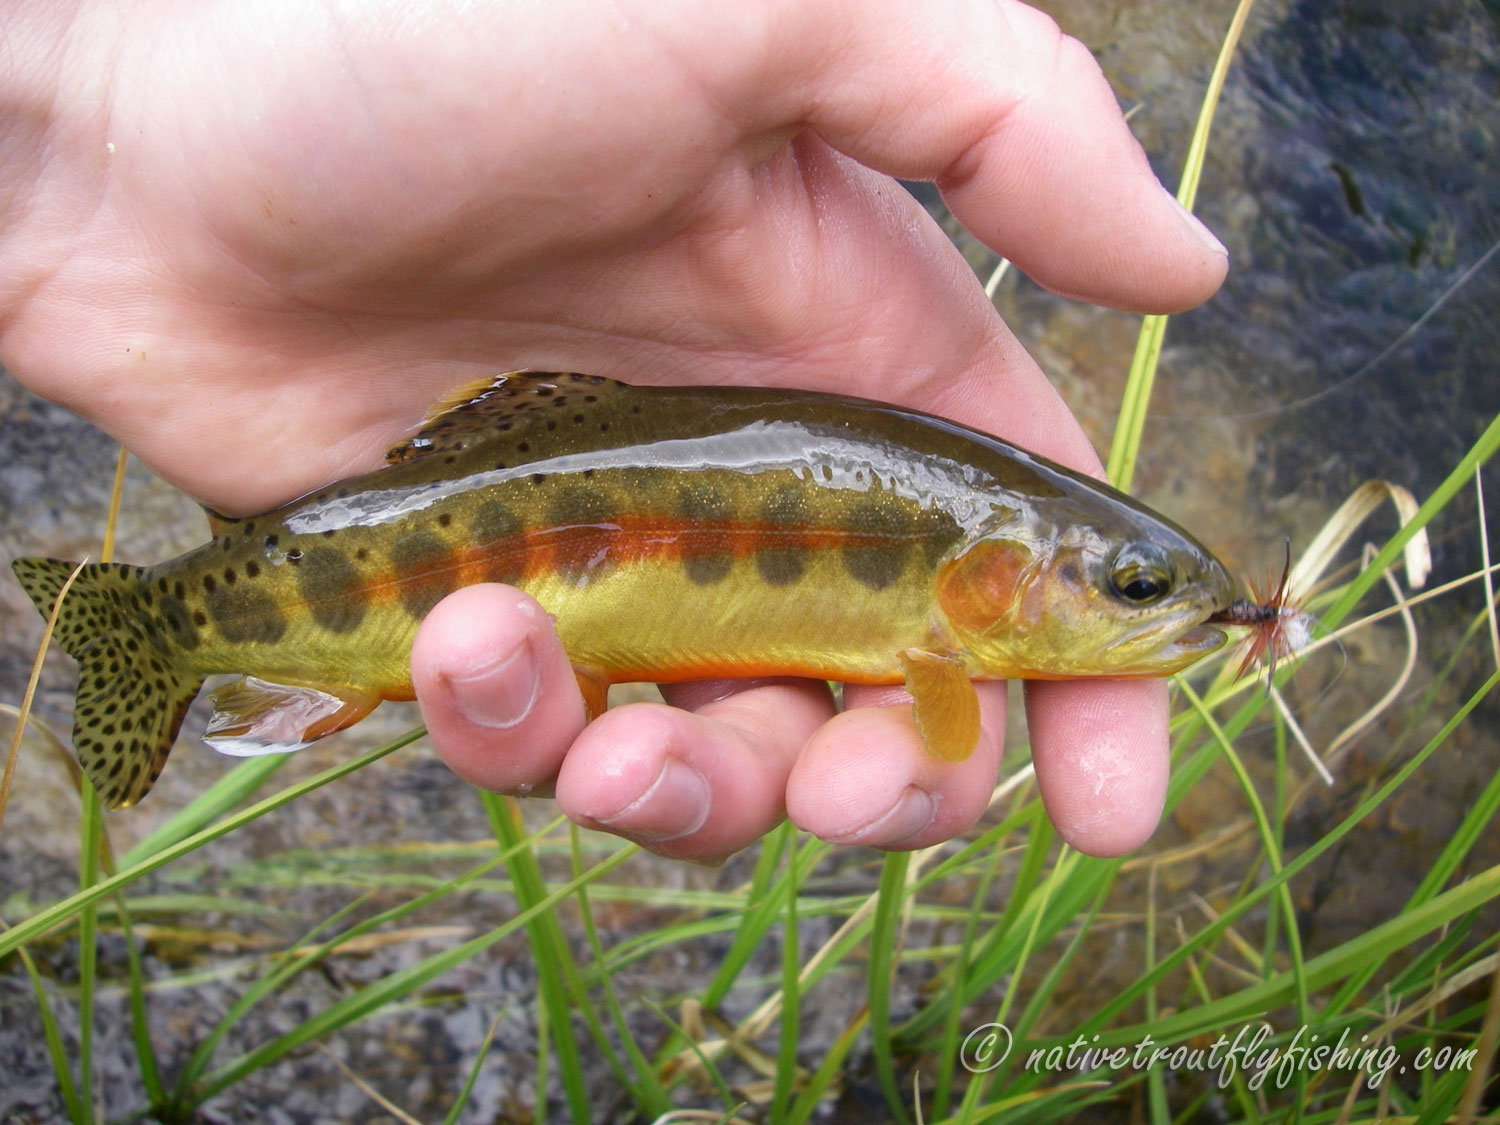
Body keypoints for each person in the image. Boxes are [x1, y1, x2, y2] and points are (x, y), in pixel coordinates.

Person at [0, 0, 1227, 862]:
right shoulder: (943, 633)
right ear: (998, 578)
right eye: (1134, 585)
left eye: (1135, 584)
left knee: (493, 662)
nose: (1159, 608)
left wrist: (85, 100)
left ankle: (153, 625)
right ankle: (148, 629)